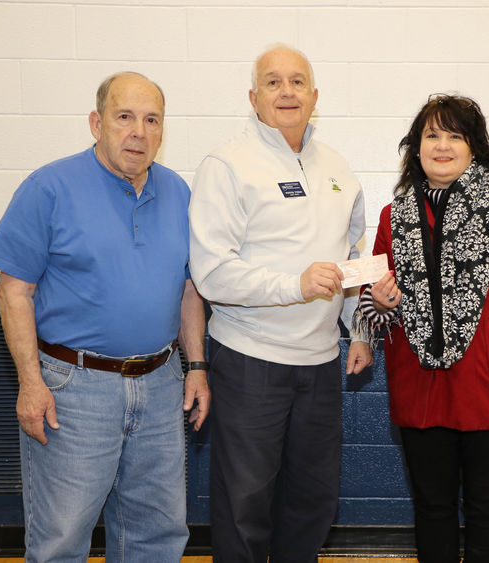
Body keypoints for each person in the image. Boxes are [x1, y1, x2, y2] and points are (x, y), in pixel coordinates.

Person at [0, 71, 211, 562]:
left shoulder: (179, 193)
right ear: (96, 122)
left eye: (152, 120)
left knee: (157, 535)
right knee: (61, 539)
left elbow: (190, 289)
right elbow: (12, 293)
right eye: (124, 117)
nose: (139, 132)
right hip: (73, 389)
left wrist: (196, 367)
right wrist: (30, 382)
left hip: (160, 383)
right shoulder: (48, 188)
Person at [352, 94, 489, 563]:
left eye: (456, 135)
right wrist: (380, 302)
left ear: (475, 148)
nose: (443, 145)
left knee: (488, 508)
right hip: (419, 386)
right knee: (431, 507)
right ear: (416, 147)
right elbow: (375, 304)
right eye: (432, 135)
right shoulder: (394, 215)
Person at [188, 44, 370, 563]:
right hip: (250, 360)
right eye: (272, 82)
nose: (286, 91)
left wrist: (359, 329)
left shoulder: (338, 167)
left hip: (321, 363)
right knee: (244, 506)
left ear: (315, 96)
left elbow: (350, 259)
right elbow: (213, 273)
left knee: (312, 502)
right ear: (253, 96)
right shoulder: (227, 164)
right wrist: (294, 284)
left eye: (296, 82)